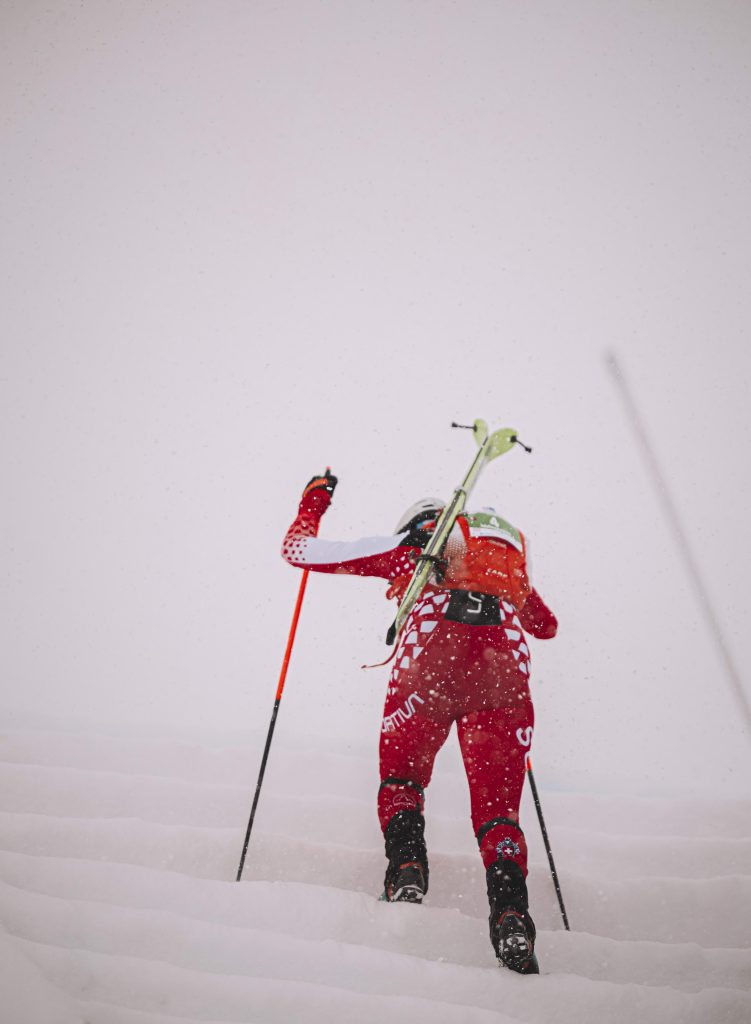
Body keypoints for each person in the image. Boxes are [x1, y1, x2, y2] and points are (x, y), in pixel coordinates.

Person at [281, 470, 558, 973]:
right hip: (502, 674)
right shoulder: (496, 564)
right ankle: (511, 916)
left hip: (428, 666)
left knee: (404, 778)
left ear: (418, 526)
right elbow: (546, 627)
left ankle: (407, 871)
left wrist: (314, 500)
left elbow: (300, 551)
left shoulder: (408, 549)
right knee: (498, 813)